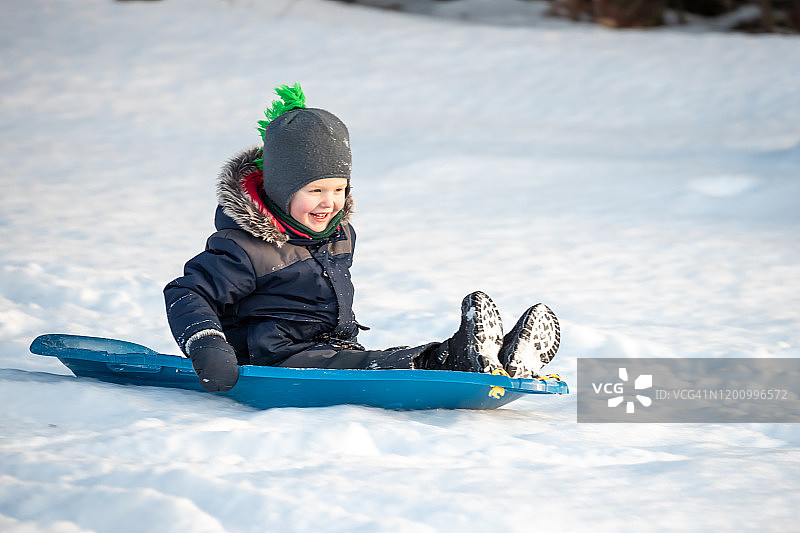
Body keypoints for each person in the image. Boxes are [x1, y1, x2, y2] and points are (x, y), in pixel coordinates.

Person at [164, 83, 560, 392]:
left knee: (369, 361)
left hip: (327, 349)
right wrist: (208, 344)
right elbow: (187, 293)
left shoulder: (338, 235)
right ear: (282, 190)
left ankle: (495, 358)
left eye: (338, 189)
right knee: (370, 367)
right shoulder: (245, 247)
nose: (329, 203)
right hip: (272, 359)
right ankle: (458, 358)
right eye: (315, 191)